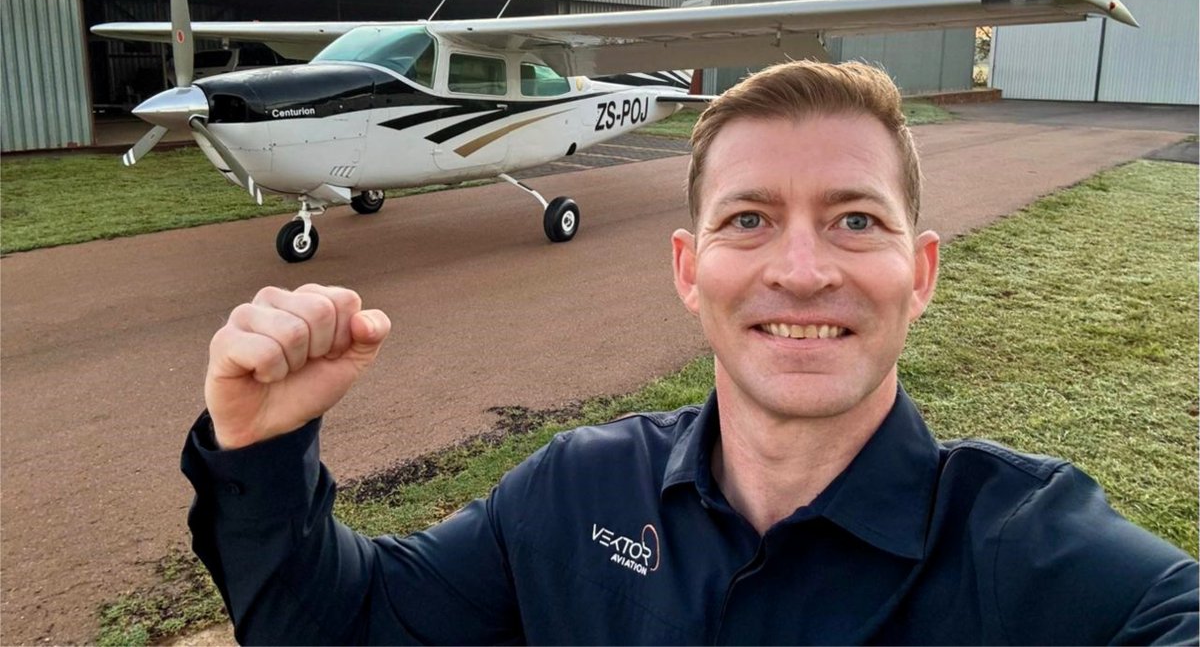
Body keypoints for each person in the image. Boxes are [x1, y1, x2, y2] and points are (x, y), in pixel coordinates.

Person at [183, 60, 1199, 645]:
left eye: (855, 221)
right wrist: (261, 455)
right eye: (749, 220)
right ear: (687, 267)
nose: (802, 271)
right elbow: (348, 629)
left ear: (922, 273)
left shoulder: (1035, 553)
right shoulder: (570, 492)